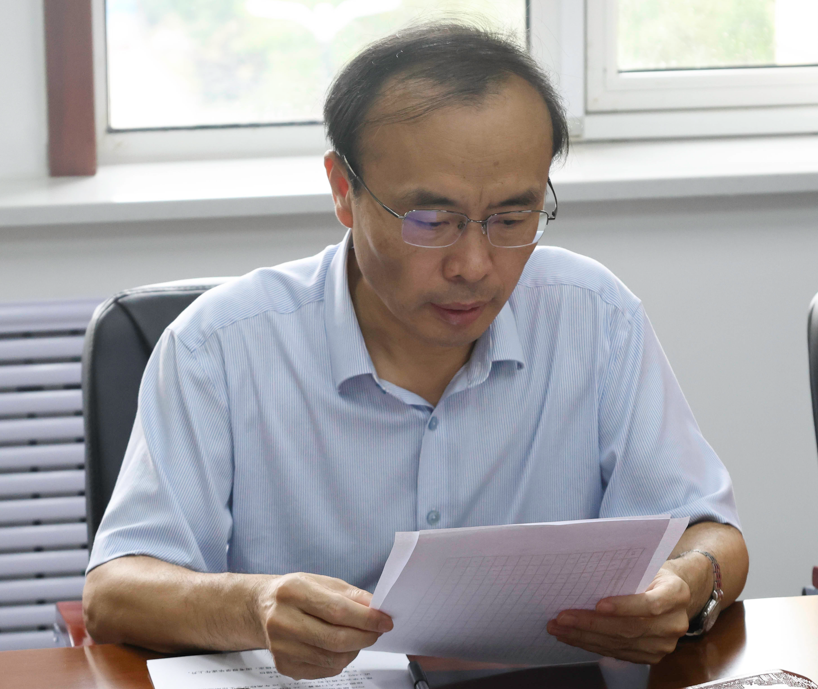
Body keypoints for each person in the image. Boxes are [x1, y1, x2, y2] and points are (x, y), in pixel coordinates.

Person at [83, 23, 748, 679]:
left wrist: (687, 585)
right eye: (431, 220)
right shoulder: (218, 348)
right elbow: (115, 592)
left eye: (512, 218)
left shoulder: (595, 315)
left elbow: (712, 533)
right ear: (343, 190)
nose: (474, 265)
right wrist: (255, 605)